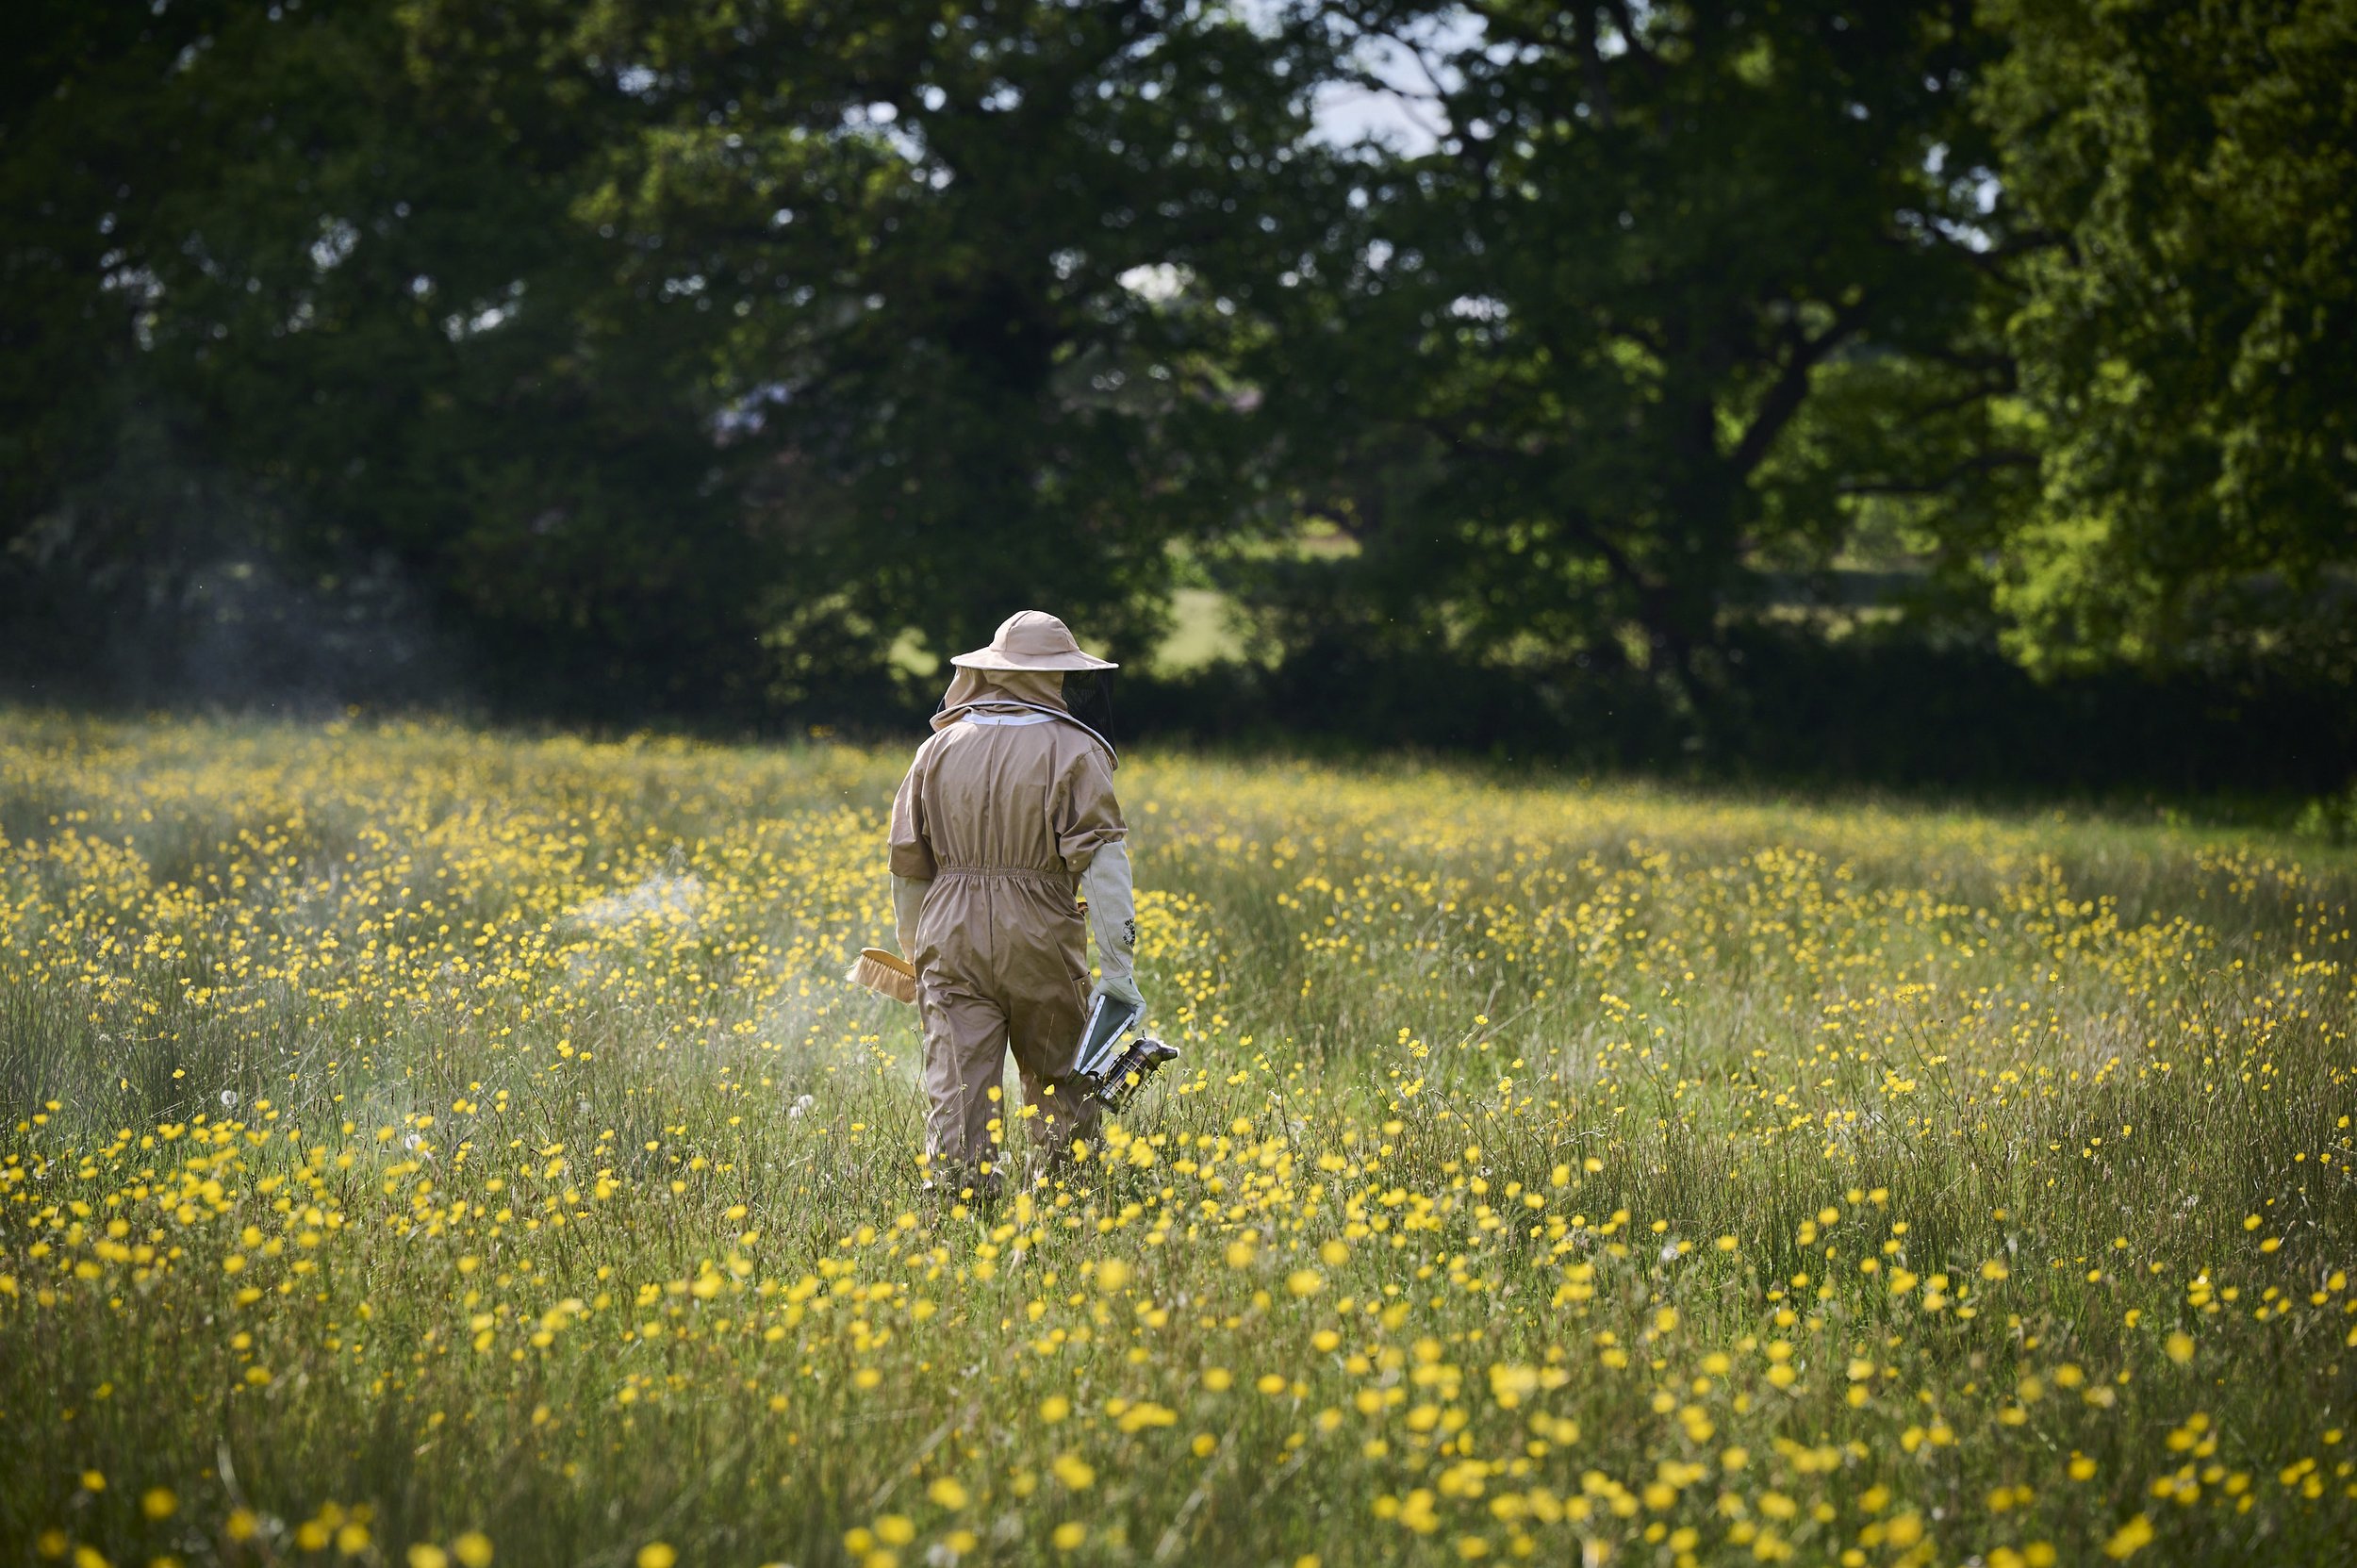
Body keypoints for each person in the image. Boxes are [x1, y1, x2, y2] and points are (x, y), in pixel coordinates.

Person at [887, 610, 1143, 1200]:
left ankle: (957, 1210)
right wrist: (1120, 971)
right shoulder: (1076, 750)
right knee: (1059, 1080)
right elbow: (1102, 867)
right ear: (1052, 677)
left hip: (948, 932)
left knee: (957, 1087)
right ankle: (1065, 1208)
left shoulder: (937, 748)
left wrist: (916, 953)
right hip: (1042, 933)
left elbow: (907, 866)